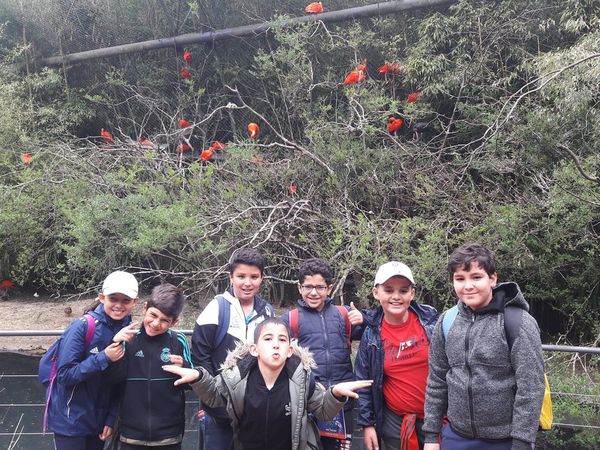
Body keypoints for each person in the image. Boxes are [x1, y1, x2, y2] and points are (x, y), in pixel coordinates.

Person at [164, 317, 374, 450]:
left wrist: (336, 394)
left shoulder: (302, 379)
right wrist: (199, 377)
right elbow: (214, 394)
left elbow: (322, 411)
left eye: (282, 340)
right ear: (254, 349)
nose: (275, 345)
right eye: (268, 339)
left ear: (290, 350)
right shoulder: (237, 376)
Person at [422, 243, 545, 450]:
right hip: (456, 436)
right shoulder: (447, 321)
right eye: (460, 279)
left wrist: (521, 443)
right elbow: (436, 381)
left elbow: (531, 388)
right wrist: (432, 436)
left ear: (493, 278)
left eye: (476, 277)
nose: (468, 286)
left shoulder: (518, 322)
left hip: (506, 441)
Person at [191, 247, 275, 450]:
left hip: (256, 413)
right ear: (231, 277)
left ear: (262, 278)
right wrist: (214, 398)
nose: (248, 283)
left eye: (254, 276)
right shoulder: (217, 308)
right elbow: (200, 357)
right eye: (241, 276)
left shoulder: (267, 312)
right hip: (219, 414)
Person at [47, 270, 139, 450]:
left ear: (135, 302)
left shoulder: (129, 330)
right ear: (102, 297)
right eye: (113, 299)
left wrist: (111, 418)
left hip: (99, 421)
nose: (119, 305)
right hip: (70, 422)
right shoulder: (82, 326)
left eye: (126, 300)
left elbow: (119, 381)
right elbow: (64, 375)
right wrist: (104, 357)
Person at [281, 257, 365, 450]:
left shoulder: (343, 315)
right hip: (308, 402)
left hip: (342, 402)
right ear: (299, 287)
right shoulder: (289, 320)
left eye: (319, 287)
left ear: (329, 288)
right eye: (308, 286)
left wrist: (364, 319)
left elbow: (374, 335)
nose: (313, 292)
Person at [355, 261, 439, 450]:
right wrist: (367, 425)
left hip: (439, 419)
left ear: (412, 293)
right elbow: (364, 382)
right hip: (396, 424)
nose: (396, 296)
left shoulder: (431, 322)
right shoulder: (371, 336)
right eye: (389, 290)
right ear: (376, 292)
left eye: (403, 290)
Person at [106, 283, 192, 450]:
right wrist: (114, 345)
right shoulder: (127, 339)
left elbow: (191, 384)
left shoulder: (178, 341)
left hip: (169, 437)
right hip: (130, 436)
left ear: (174, 322)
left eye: (165, 320)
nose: (155, 323)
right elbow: (111, 381)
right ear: (145, 308)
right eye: (153, 315)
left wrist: (184, 367)